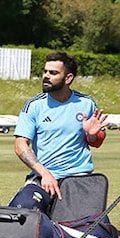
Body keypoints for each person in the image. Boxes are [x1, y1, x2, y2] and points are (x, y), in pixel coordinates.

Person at [9, 52, 109, 211]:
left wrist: (91, 134)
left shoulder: (86, 103)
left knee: (92, 227)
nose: (46, 76)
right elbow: (20, 145)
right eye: (45, 71)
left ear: (68, 78)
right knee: (22, 209)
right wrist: (45, 174)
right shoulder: (34, 106)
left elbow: (97, 141)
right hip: (43, 178)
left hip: (79, 178)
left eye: (53, 73)